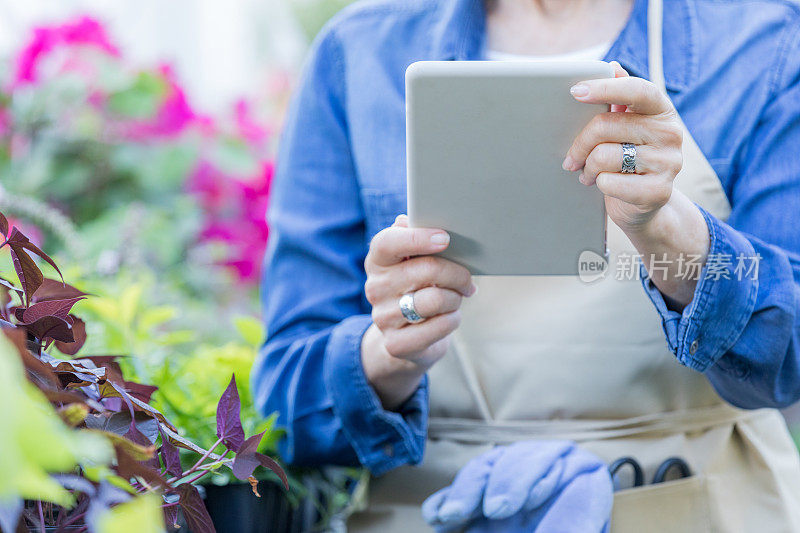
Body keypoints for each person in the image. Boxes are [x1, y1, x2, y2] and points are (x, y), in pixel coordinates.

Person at [252, 0, 800, 530]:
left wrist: (668, 229)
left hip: (700, 503)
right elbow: (285, 402)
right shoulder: (359, 50)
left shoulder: (766, 42)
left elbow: (789, 360)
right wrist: (389, 353)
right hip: (441, 509)